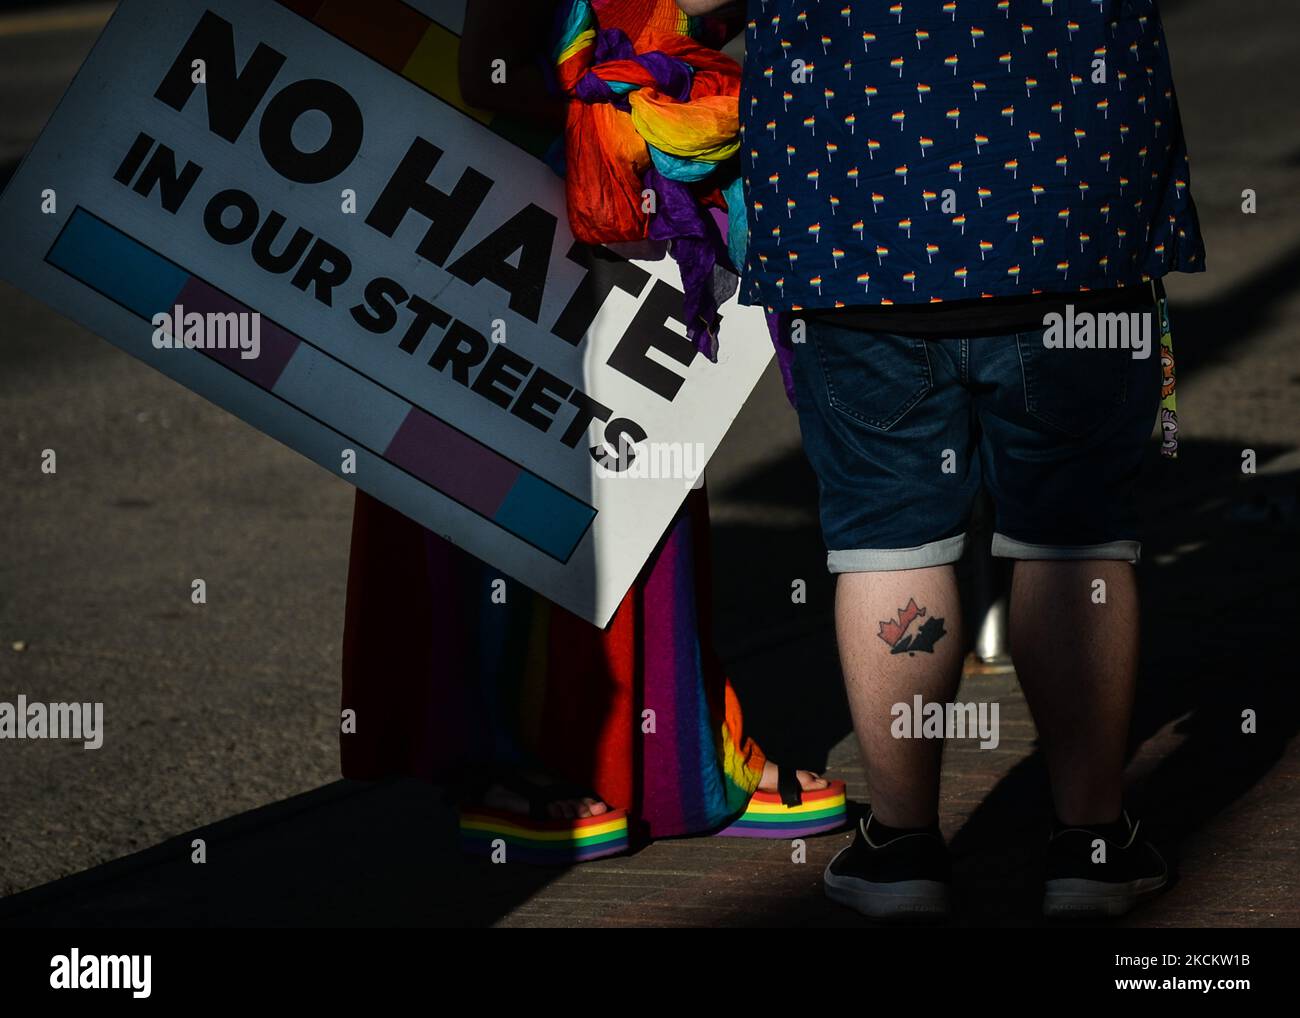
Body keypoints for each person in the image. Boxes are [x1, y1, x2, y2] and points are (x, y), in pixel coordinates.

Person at [678, 0, 1203, 918]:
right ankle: (1091, 844)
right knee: (1074, 535)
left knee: (886, 536)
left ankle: (903, 850)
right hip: (1070, 213)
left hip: (857, 222)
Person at [340, 0, 844, 864]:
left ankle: (645, 759)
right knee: (541, 484)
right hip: (533, 211)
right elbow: (490, 67)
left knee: (631, 484)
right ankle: (516, 762)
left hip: (595, 206)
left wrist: (696, 60)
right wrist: (662, 100)